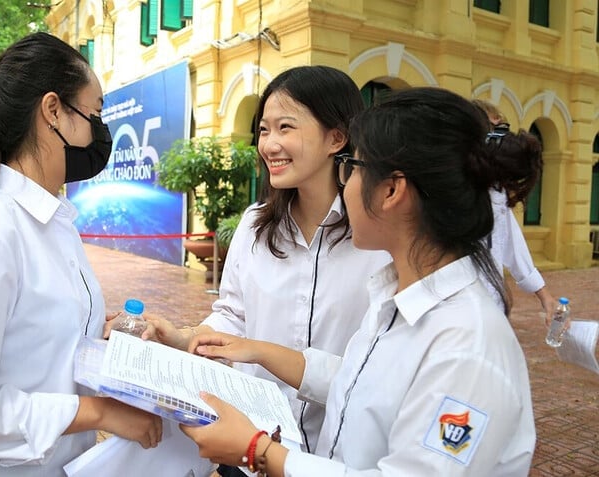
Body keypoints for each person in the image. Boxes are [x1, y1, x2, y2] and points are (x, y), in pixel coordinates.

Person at [180, 87, 535, 475]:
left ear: (391, 190)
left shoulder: (468, 346)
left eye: (352, 168)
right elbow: (358, 383)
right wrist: (254, 350)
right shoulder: (396, 299)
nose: (344, 184)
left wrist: (257, 450)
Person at [0, 32, 162, 475]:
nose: (99, 131)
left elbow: (30, 338)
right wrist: (97, 412)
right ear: (53, 110)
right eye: (95, 113)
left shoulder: (51, 221)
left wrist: (94, 331)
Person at [135, 66, 390, 465]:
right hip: (249, 447)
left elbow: (382, 367)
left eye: (285, 127)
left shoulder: (377, 239)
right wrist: (187, 337)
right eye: (264, 130)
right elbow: (234, 316)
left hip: (339, 459)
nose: (269, 144)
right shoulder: (255, 226)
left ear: (336, 137)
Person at [472, 99, 556, 320]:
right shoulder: (452, 186)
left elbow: (511, 242)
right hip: (461, 309)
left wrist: (545, 296)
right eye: (494, 130)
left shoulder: (496, 190)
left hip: (493, 304)